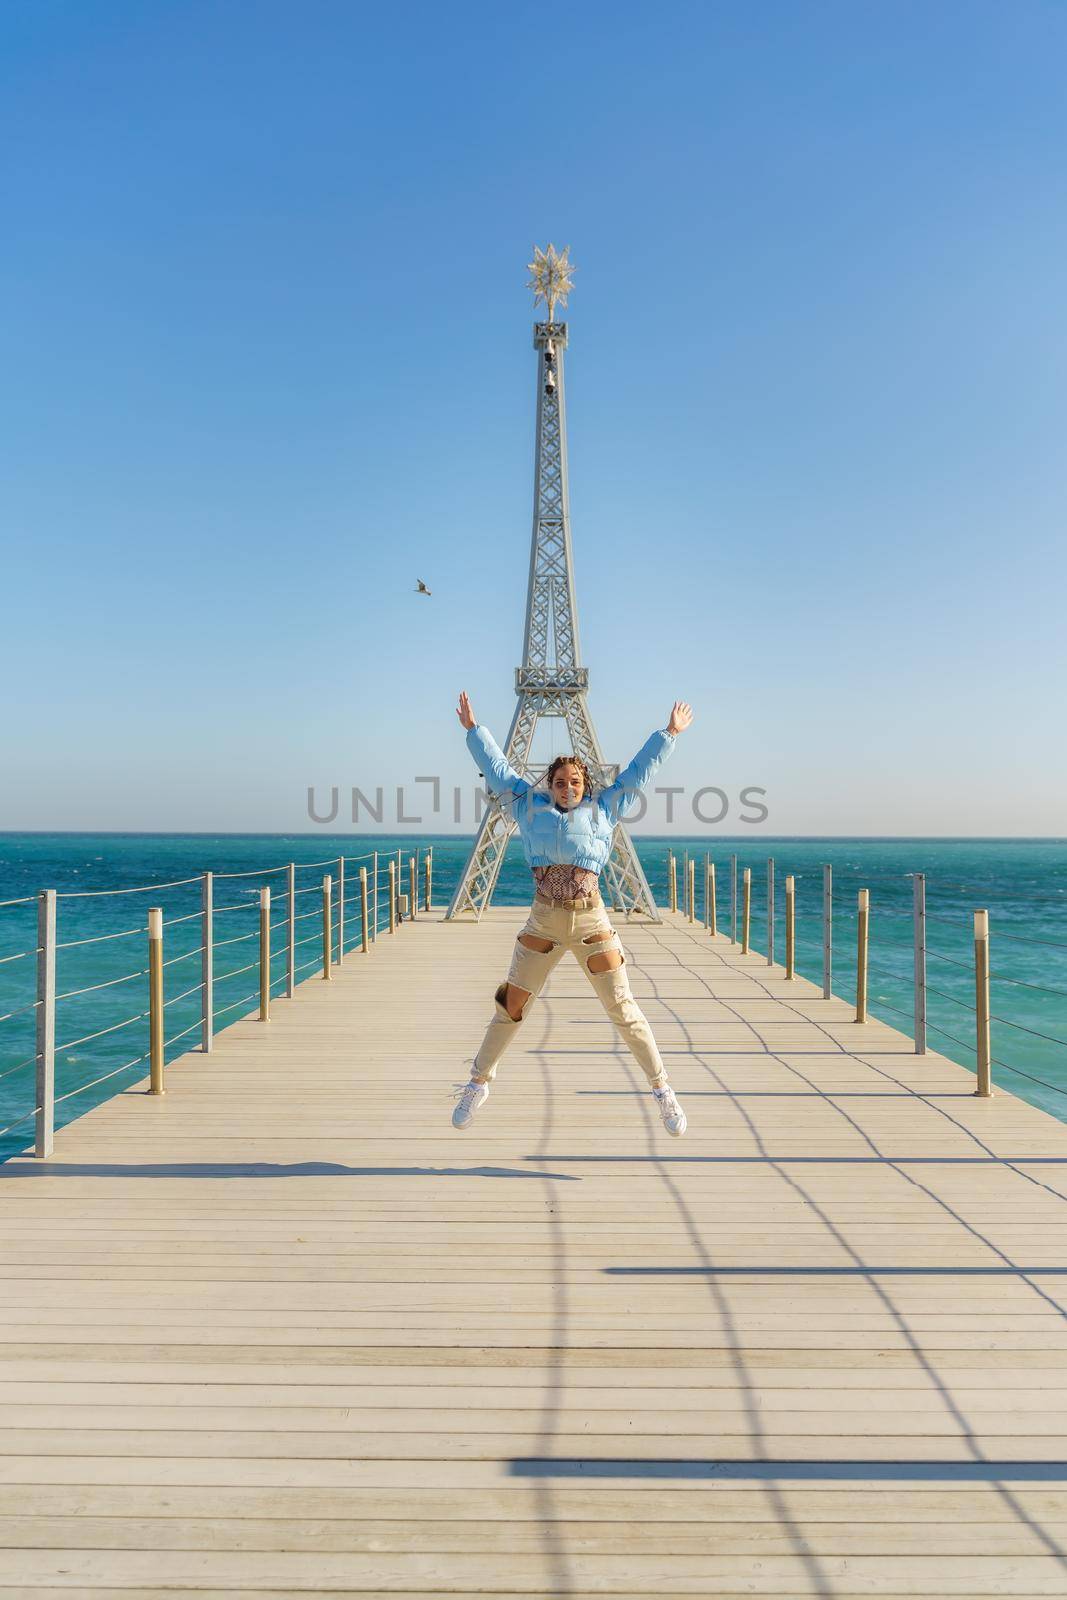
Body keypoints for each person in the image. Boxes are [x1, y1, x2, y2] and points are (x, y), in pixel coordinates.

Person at [451, 691, 694, 1135]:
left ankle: (662, 1090)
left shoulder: (604, 810)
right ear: (550, 784)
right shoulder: (527, 806)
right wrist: (473, 730)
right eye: (560, 782)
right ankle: (478, 1082)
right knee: (512, 1004)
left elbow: (638, 774)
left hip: (591, 921)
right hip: (543, 920)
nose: (568, 788)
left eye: (575, 782)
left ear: (586, 785)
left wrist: (669, 734)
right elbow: (498, 769)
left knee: (622, 1006)